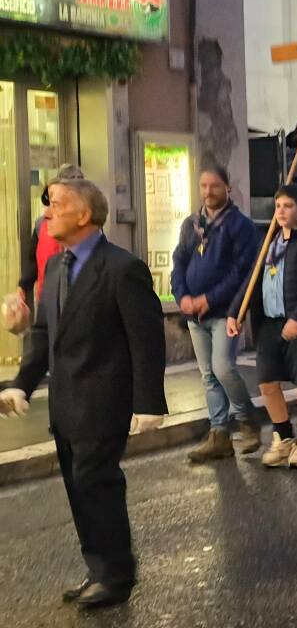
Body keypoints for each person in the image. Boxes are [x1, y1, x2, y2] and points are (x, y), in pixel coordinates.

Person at [0, 179, 166, 609]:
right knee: (80, 488)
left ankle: (117, 575)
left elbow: (145, 340)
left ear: (85, 215)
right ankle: (100, 567)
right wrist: (21, 383)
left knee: (97, 483)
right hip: (66, 400)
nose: (47, 212)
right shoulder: (55, 267)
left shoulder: (122, 268)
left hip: (103, 399)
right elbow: (43, 335)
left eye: (57, 204)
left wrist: (148, 403)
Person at [227, 184, 297, 469]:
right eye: (278, 206)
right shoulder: (269, 243)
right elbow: (252, 280)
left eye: (288, 206)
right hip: (271, 323)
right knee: (267, 381)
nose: (281, 211)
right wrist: (235, 312)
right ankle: (283, 436)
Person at [172, 165, 261, 462]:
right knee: (208, 375)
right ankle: (219, 433)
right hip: (194, 315)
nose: (208, 192)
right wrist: (182, 296)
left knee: (223, 367)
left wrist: (209, 298)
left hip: (224, 312)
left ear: (228, 188)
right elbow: (179, 261)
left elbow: (241, 272)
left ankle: (247, 419)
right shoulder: (192, 224)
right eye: (203, 186)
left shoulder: (240, 226)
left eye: (214, 186)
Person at [18, 163, 84, 306]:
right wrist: (24, 285)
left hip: (77, 301)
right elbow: (33, 259)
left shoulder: (86, 224)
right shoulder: (41, 224)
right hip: (47, 298)